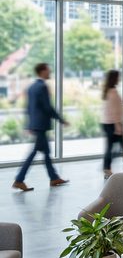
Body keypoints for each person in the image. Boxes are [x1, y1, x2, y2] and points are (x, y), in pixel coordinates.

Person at [12, 63, 68, 191]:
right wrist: (60, 120)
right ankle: (19, 180)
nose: (50, 72)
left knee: (46, 153)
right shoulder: (42, 86)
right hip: (41, 125)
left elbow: (28, 108)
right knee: (34, 152)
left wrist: (29, 125)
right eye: (48, 70)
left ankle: (54, 178)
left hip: (36, 125)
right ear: (42, 71)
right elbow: (47, 107)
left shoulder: (31, 87)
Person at [101, 69, 123, 178]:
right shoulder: (112, 92)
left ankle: (106, 166)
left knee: (114, 147)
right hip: (112, 124)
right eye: (118, 77)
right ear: (114, 78)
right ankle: (106, 167)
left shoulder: (109, 90)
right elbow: (114, 111)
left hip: (108, 123)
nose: (119, 79)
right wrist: (118, 126)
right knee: (119, 146)